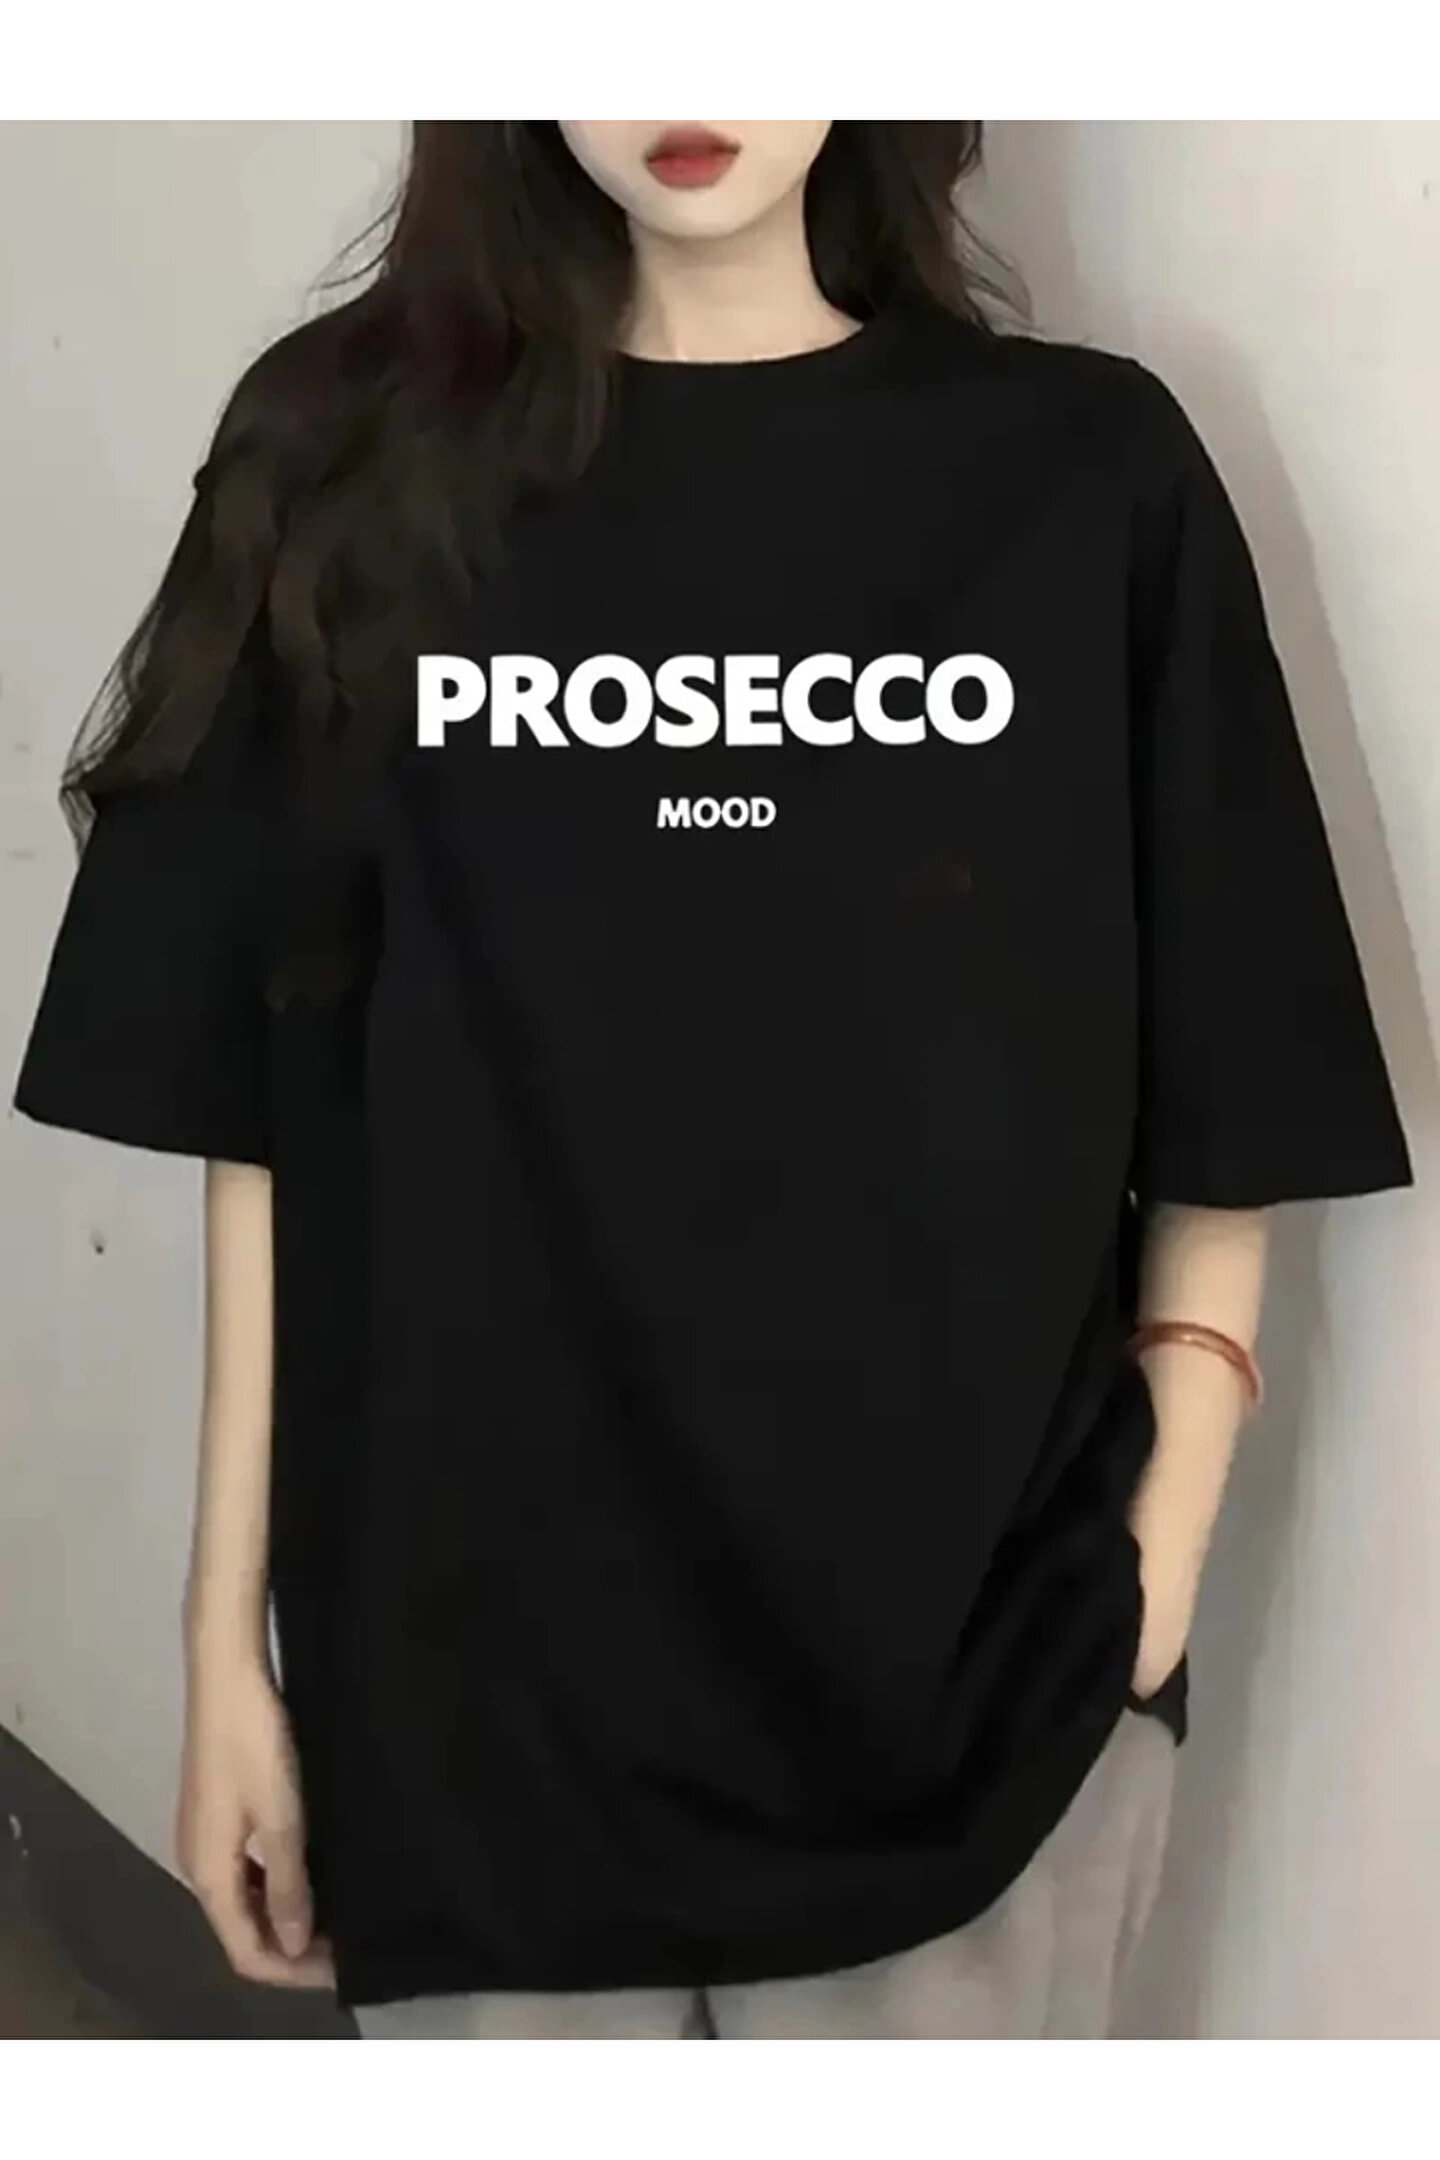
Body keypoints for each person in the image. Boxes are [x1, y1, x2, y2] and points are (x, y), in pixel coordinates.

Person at [12, 120, 1413, 2040]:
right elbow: (262, 1108)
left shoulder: (1084, 472)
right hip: (464, 1702)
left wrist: (1156, 1560)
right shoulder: (349, 459)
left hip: (981, 1693)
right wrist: (224, 1650)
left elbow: (1231, 1054)